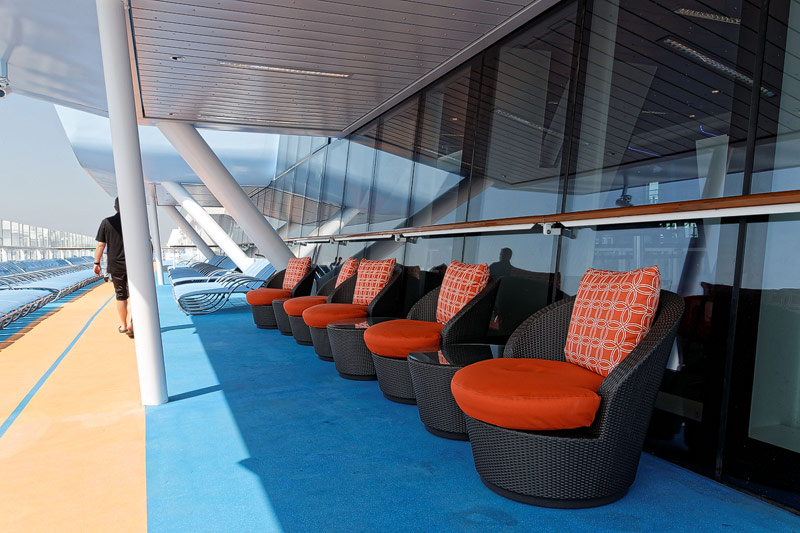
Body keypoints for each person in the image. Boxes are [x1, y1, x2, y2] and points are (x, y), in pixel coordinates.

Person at [94, 197, 133, 338]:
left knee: (121, 295)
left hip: (115, 265)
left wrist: (97, 263)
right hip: (134, 263)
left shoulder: (106, 222)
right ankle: (132, 323)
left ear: (115, 207)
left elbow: (101, 245)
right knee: (134, 295)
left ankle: (124, 325)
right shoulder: (134, 221)